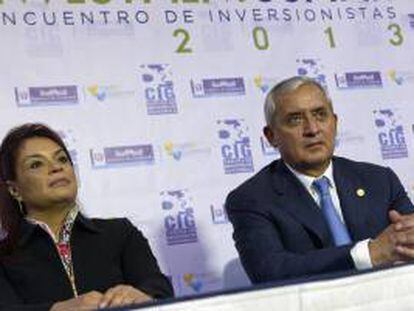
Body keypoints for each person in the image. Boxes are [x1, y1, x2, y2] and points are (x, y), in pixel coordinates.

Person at [225, 76, 414, 284]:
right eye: (295, 119)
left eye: (320, 115)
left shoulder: (379, 180)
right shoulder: (251, 199)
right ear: (271, 136)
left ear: (334, 122)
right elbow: (270, 272)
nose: (312, 129)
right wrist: (368, 254)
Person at [0, 123, 173, 310]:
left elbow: (159, 288)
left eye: (62, 159)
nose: (56, 167)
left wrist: (143, 296)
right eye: (36, 164)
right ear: (14, 190)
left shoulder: (120, 233)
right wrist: (58, 309)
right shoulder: (4, 257)